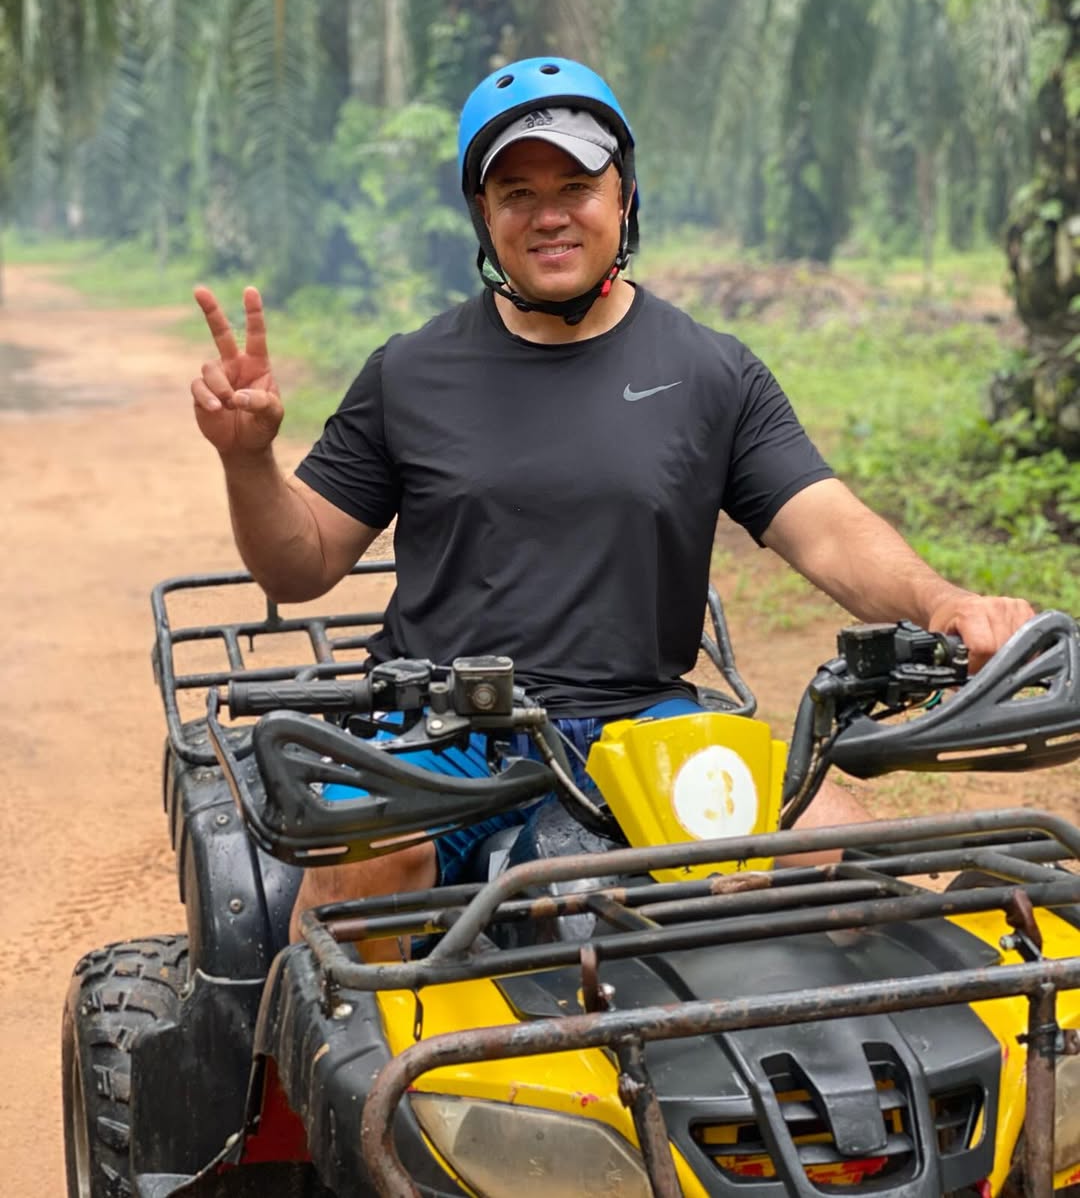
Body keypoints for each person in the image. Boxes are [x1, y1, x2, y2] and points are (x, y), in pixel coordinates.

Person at [190, 55, 1035, 946]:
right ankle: (297, 1040)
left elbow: (826, 527)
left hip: (644, 723)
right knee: (353, 891)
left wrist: (942, 601)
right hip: (443, 726)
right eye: (517, 192)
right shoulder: (409, 373)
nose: (549, 214)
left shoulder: (711, 371)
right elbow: (301, 563)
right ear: (483, 214)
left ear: (624, 196)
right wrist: (249, 461)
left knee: (837, 856)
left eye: (577, 185)